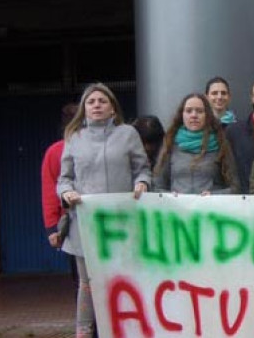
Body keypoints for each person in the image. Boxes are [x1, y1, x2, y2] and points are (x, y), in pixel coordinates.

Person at [57, 83, 151, 337]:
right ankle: (84, 333)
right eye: (91, 101)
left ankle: (125, 330)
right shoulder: (74, 137)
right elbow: (63, 178)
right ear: (84, 109)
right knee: (87, 285)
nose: (96, 105)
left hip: (122, 225)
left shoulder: (128, 133)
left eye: (102, 101)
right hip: (84, 225)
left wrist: (142, 182)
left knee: (124, 280)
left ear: (112, 108)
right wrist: (66, 193)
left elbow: (142, 168)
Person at [152, 93, 238, 195]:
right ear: (182, 115)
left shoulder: (221, 143)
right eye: (189, 111)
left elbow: (235, 187)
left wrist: (214, 195)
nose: (194, 115)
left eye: (199, 111)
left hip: (211, 209)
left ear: (207, 115)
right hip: (177, 209)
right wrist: (170, 197)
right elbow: (158, 186)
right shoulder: (170, 143)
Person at [41, 102, 78, 249]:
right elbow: (50, 191)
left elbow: (49, 191)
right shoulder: (56, 152)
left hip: (71, 220)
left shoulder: (54, 151)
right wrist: (52, 227)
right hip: (74, 221)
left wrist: (51, 228)